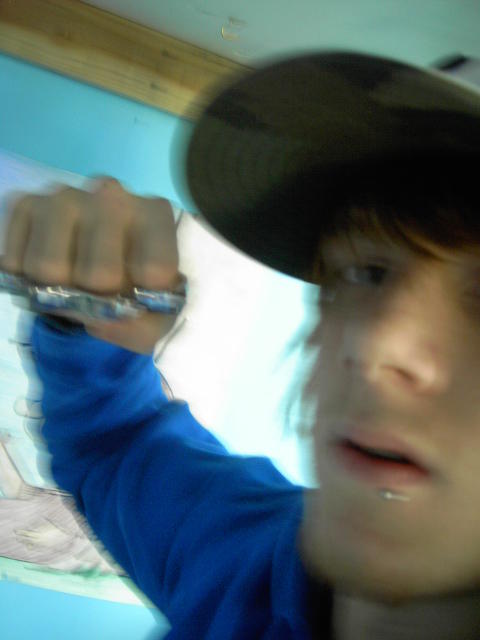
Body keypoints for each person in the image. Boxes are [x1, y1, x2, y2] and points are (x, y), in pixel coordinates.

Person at [3, 51, 480, 639]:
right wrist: (90, 327)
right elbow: (112, 442)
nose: (377, 341)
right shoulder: (246, 558)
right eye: (366, 273)